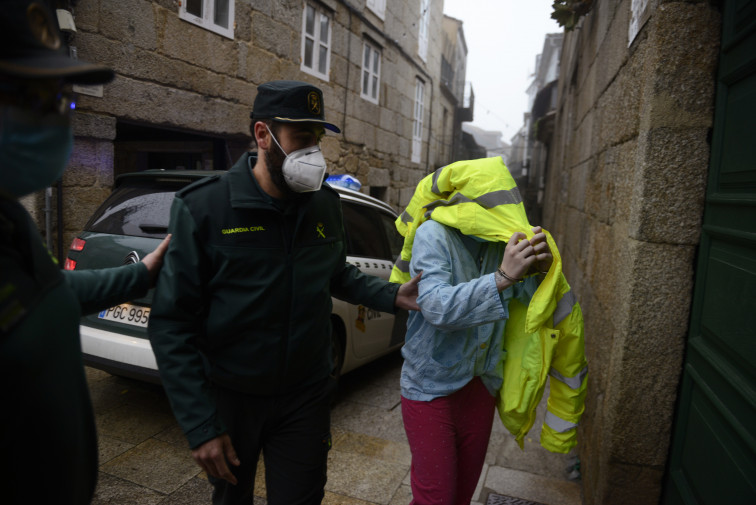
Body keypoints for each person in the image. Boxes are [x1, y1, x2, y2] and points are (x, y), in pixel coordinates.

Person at [148, 80, 420, 505]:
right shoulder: (205, 208)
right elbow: (170, 323)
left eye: (317, 139)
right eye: (301, 138)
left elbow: (336, 275)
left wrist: (394, 295)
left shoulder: (325, 206)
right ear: (263, 135)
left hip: (306, 396)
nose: (313, 152)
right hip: (232, 397)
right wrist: (200, 424)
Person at [0, 1, 171, 504]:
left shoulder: (9, 221)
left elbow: (50, 291)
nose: (55, 118)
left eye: (60, 99)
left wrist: (145, 270)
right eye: (28, 95)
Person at [389, 157, 587, 505]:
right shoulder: (432, 234)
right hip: (428, 390)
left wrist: (539, 273)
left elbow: (534, 313)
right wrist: (503, 277)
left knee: (462, 495)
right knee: (436, 498)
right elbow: (435, 306)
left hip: (481, 387)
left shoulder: (504, 243)